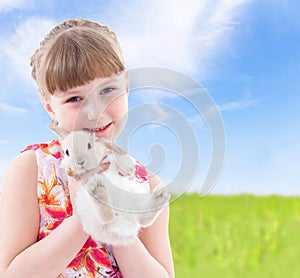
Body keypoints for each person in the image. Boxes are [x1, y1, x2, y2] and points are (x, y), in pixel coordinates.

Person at [0, 18, 174, 277]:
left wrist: (114, 220)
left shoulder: (146, 184)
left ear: (126, 87)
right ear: (50, 107)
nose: (95, 111)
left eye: (108, 90)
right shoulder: (31, 170)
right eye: (74, 98)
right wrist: (85, 216)